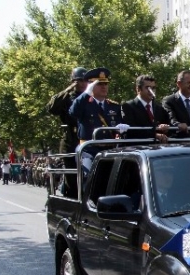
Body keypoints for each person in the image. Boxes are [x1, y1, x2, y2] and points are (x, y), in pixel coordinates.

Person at [69, 67, 129, 174]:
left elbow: (117, 126)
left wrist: (121, 128)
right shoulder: (83, 104)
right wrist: (86, 94)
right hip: (89, 150)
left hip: (110, 149)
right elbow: (73, 112)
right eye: (99, 84)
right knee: (90, 176)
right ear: (91, 86)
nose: (104, 87)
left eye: (105, 84)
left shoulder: (113, 106)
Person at [47, 67, 88, 198]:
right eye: (79, 80)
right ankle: (71, 200)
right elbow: (52, 108)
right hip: (71, 140)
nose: (82, 83)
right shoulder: (67, 97)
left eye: (85, 80)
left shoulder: (91, 97)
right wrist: (68, 89)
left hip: (88, 140)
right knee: (73, 178)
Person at [121, 75, 171, 142]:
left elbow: (167, 125)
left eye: (153, 88)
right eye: (147, 88)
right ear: (138, 89)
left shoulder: (159, 108)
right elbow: (131, 130)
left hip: (157, 148)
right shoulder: (128, 106)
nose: (151, 91)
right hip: (138, 148)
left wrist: (164, 127)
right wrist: (154, 135)